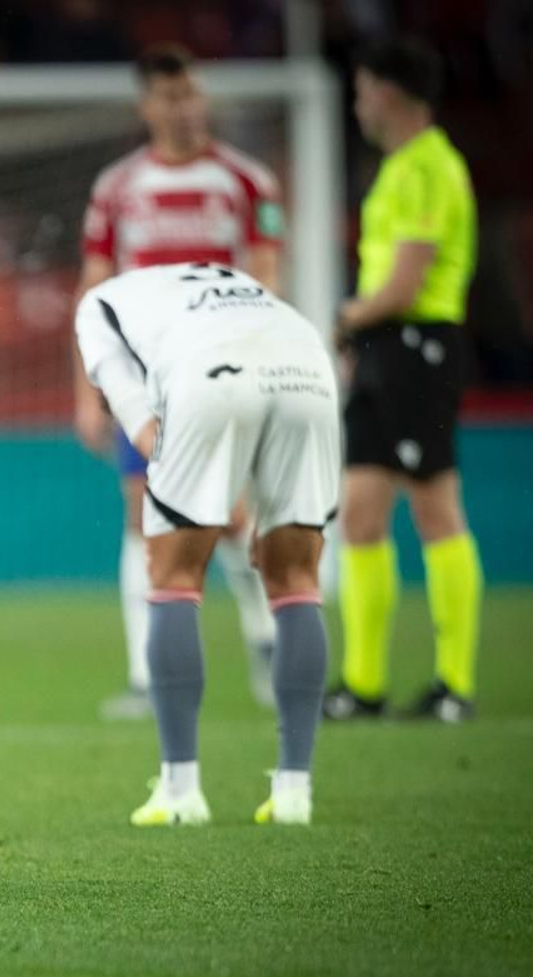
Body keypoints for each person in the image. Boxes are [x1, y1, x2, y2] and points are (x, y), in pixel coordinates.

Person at [75, 263, 340, 825]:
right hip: (309, 367)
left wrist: (209, 504)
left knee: (172, 576)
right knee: (296, 580)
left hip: (213, 374)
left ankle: (180, 791)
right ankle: (296, 791)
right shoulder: (206, 284)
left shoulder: (96, 310)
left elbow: (147, 435)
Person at [72, 44, 283, 720]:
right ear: (147, 105)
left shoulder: (246, 182)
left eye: (192, 93)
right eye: (169, 95)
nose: (185, 107)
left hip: (220, 373)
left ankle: (267, 640)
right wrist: (88, 390)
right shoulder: (117, 189)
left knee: (231, 517)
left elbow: (268, 280)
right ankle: (145, 677)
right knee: (142, 517)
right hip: (144, 376)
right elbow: (94, 289)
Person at [324, 38, 481, 724]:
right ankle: (362, 684)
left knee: (435, 509)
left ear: (387, 91)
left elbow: (408, 284)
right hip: (389, 351)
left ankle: (454, 684)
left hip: (421, 347)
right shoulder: (399, 168)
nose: (357, 104)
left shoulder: (428, 168)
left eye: (361, 90)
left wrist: (346, 315)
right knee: (359, 511)